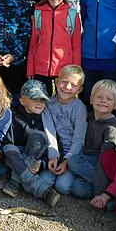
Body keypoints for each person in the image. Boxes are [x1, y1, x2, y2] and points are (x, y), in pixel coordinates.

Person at [0, 80, 61, 207]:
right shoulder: (14, 116)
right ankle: (43, 190)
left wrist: (42, 163)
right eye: (34, 99)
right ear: (22, 101)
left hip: (34, 157)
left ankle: (15, 181)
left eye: (42, 100)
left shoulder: (47, 120)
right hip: (15, 155)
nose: (39, 103)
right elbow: (7, 142)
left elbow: (53, 145)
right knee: (9, 148)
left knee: (38, 137)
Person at [67, 79, 116, 199]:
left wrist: (100, 193)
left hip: (102, 163)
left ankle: (106, 189)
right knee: (77, 187)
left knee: (73, 161)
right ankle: (96, 184)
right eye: (99, 97)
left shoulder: (112, 128)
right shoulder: (88, 117)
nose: (103, 101)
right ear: (91, 99)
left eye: (109, 99)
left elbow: (109, 157)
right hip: (86, 158)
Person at [27, 0, 82, 94]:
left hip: (64, 70)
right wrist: (30, 69)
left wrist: (76, 72)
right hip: (40, 68)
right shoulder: (38, 12)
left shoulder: (72, 15)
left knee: (62, 102)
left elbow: (76, 46)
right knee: (41, 103)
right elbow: (33, 43)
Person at [43, 64, 87, 195]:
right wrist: (53, 156)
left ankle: (77, 175)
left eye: (73, 85)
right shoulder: (48, 104)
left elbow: (79, 138)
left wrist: (67, 160)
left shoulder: (79, 108)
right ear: (56, 82)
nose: (67, 87)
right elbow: (49, 132)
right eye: (64, 82)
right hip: (53, 152)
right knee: (44, 181)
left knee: (62, 187)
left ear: (79, 90)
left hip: (73, 155)